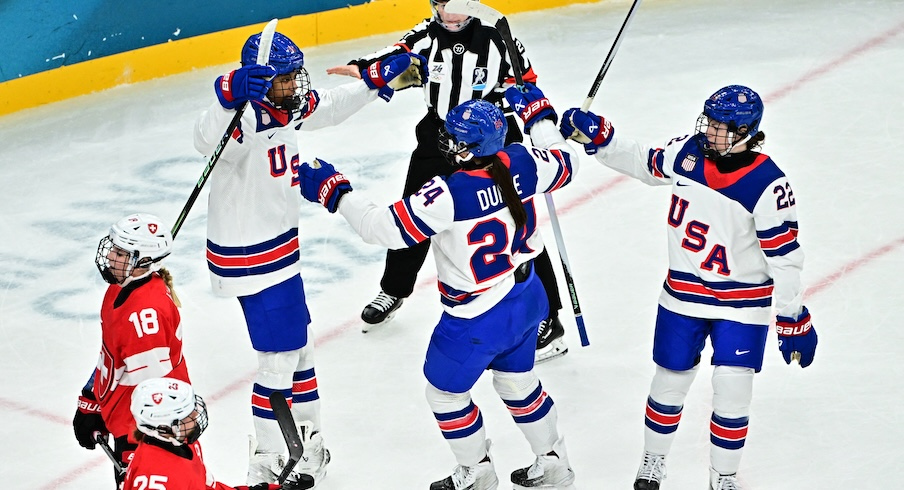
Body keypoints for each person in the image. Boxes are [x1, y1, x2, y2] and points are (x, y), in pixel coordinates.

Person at [295, 85, 577, 489]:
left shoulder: (447, 193)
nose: (448, 142)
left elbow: (383, 230)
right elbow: (567, 161)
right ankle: (554, 462)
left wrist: (336, 191)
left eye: (457, 137)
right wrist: (539, 117)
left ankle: (477, 472)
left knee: (445, 395)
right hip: (529, 295)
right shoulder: (525, 160)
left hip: (477, 319)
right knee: (518, 383)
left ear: (471, 146)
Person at [193, 29, 425, 487]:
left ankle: (309, 443)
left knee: (300, 348)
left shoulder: (285, 106)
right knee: (278, 359)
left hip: (278, 252)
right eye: (285, 79)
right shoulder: (245, 118)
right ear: (259, 83)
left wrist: (374, 83)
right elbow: (207, 140)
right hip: (251, 257)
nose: (297, 85)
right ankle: (267, 460)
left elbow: (330, 106)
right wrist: (228, 94)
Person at [560, 85, 818, 490]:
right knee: (668, 382)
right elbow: (645, 162)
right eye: (709, 120)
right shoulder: (688, 153)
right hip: (682, 296)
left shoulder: (769, 184)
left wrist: (792, 317)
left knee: (732, 392)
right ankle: (653, 462)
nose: (710, 129)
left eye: (721, 125)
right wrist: (601, 138)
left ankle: (724, 478)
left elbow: (784, 259)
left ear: (746, 130)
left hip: (742, 304)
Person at [326, 0, 569, 364]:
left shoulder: (498, 40)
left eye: (457, 4)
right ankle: (394, 289)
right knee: (414, 210)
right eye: (443, 5)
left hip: (492, 141)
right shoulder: (425, 37)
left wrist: (522, 104)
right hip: (440, 137)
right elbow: (396, 54)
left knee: (520, 222)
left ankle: (549, 318)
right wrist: (365, 68)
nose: (450, 15)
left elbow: (525, 84)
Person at [72, 213, 191, 489]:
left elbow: (156, 394)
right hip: (127, 421)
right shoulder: (118, 288)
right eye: (114, 248)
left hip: (146, 432)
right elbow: (113, 356)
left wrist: (145, 454)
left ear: (144, 262)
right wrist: (92, 400)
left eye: (121, 252)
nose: (111, 255)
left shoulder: (145, 318)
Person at [123, 377, 313, 490]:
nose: (197, 414)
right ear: (164, 429)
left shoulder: (184, 444)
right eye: (187, 414)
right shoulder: (155, 481)